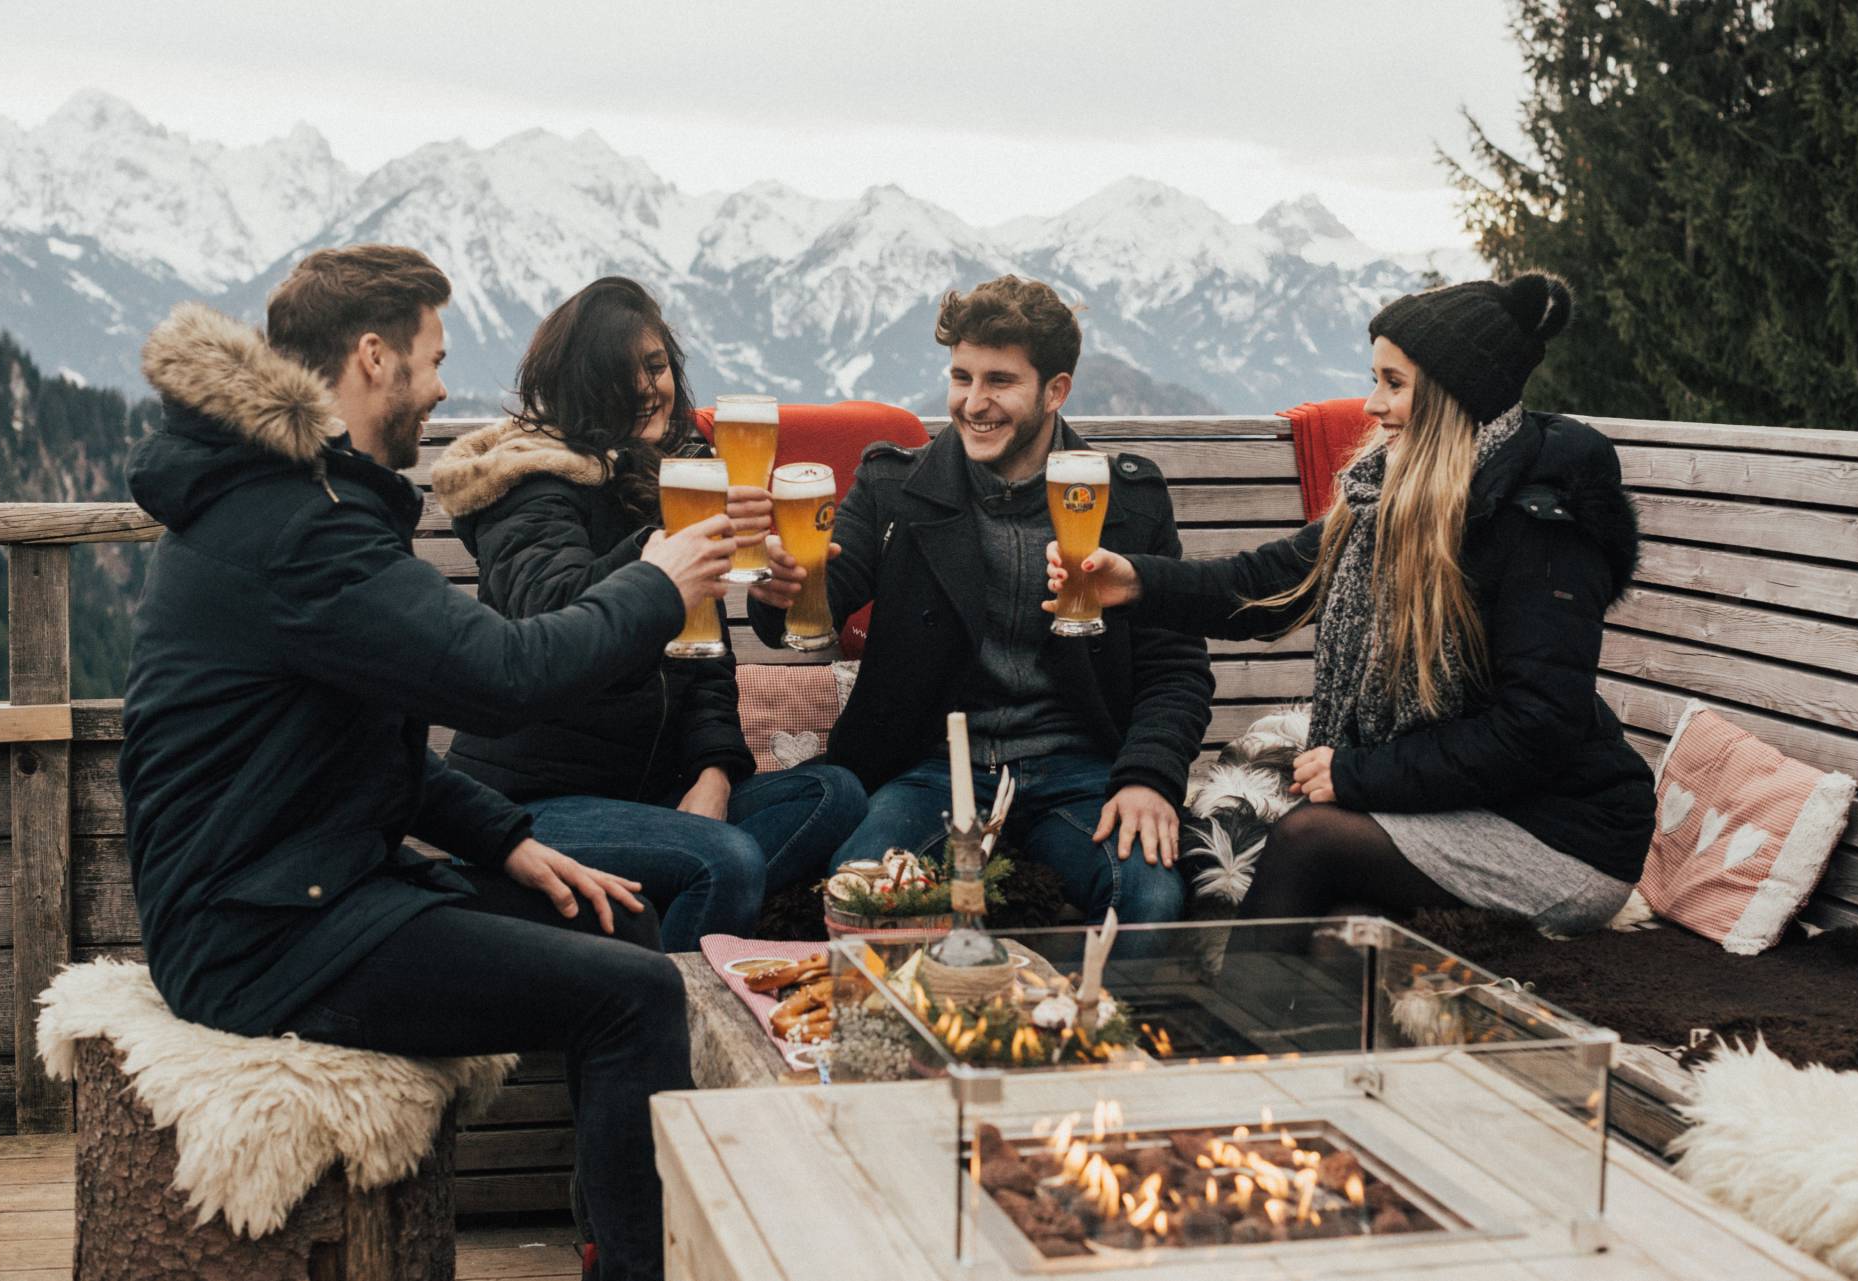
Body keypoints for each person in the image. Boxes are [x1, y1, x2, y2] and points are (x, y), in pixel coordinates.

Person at [119, 246, 731, 1280]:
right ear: (372, 357)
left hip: (306, 890)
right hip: (265, 935)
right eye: (433, 358)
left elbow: (356, 745)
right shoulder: (298, 531)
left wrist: (512, 841)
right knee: (637, 996)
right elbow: (503, 673)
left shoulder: (298, 502)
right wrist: (659, 582)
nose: (444, 386)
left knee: (621, 918)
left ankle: (606, 1239)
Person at [1047, 274, 1655, 936]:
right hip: (1471, 798)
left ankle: (1222, 1036)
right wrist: (1135, 581)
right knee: (1335, 915)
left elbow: (1536, 728)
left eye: (1394, 383)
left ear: (1455, 395)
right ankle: (1266, 1027)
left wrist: (1359, 772)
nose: (1372, 404)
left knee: (1309, 839)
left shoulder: (1543, 527)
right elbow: (1264, 584)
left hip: (1561, 835)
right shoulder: (1385, 504)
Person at [749, 275, 1213, 923]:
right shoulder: (895, 488)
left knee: (1148, 895)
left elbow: (1176, 666)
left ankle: (1082, 1027)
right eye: (961, 376)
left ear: (1056, 391)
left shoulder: (1126, 503)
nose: (973, 402)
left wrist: (1148, 776)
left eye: (999, 380)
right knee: (863, 894)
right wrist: (781, 592)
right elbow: (820, 598)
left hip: (1080, 773)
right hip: (930, 770)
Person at [431, 277, 868, 947]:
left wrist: (713, 775)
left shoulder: (679, 473)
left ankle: (656, 919)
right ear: (578, 387)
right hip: (531, 802)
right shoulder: (532, 482)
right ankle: (668, 1009)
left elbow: (706, 659)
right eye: (619, 374)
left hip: (649, 797)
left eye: (656, 364)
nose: (647, 388)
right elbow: (552, 611)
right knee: (728, 859)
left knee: (834, 793)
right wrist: (661, 549)